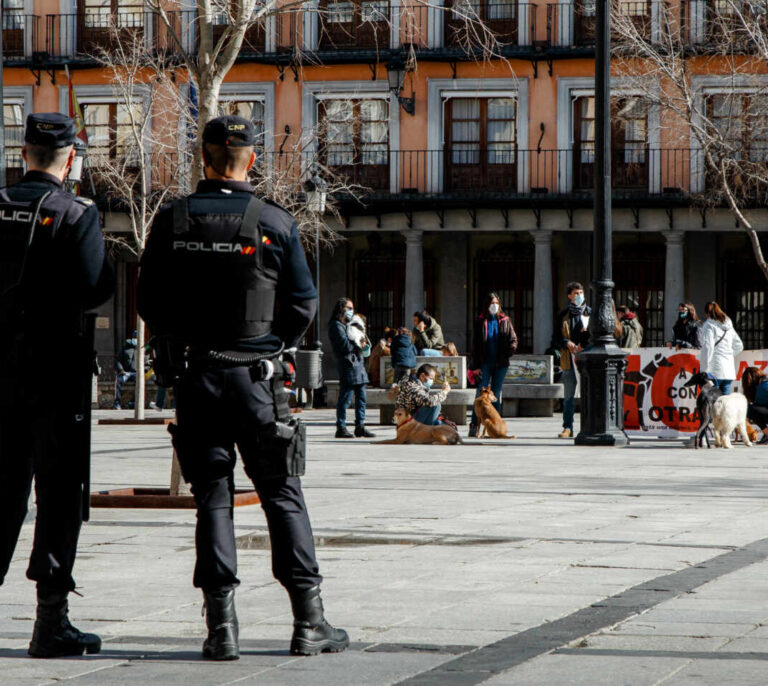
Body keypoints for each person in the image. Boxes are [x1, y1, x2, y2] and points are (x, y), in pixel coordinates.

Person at [137, 115, 347, 660]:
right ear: (251, 160)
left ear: (202, 159)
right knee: (281, 492)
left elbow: (149, 305)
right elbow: (303, 302)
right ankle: (309, 621)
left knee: (213, 496)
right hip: (256, 381)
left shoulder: (172, 219)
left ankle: (221, 629)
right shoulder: (273, 222)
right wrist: (269, 344)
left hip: (197, 376)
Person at [0, 113, 113, 658]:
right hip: (54, 375)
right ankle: (51, 621)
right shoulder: (75, 214)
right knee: (59, 494)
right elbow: (96, 288)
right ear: (70, 160)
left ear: (23, 155)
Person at [468, 292, 518, 438]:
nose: (494, 306)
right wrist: (475, 366)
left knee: (495, 394)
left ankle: (495, 426)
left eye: (496, 303)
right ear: (487, 305)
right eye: (491, 303)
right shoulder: (480, 321)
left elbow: (513, 340)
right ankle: (474, 425)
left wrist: (507, 354)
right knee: (480, 394)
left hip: (501, 363)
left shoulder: (505, 320)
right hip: (484, 362)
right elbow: (475, 345)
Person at [329, 297, 375, 439]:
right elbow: (344, 346)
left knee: (361, 399)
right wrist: (357, 343)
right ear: (341, 308)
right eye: (348, 308)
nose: (351, 311)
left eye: (352, 308)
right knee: (346, 398)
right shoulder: (336, 326)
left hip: (358, 366)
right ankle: (341, 427)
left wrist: (362, 343)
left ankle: (360, 426)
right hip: (348, 366)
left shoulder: (349, 325)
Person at [554, 281, 591, 439]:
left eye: (581, 292)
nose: (579, 295)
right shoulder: (563, 315)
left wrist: (585, 344)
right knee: (568, 394)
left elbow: (598, 335)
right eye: (575, 293)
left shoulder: (590, 313)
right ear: (569, 296)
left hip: (587, 357)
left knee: (589, 394)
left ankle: (589, 426)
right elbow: (555, 337)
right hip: (568, 358)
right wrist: (565, 343)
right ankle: (567, 427)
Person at [699, 301, 743, 395]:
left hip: (714, 370)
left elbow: (708, 348)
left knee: (713, 403)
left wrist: (704, 370)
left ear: (707, 313)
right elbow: (739, 345)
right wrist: (729, 354)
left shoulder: (709, 325)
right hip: (728, 370)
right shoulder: (728, 325)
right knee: (725, 404)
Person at [740, 367, 768, 444]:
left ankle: (767, 433)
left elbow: (758, 409)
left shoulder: (762, 388)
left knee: (749, 409)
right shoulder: (764, 383)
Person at [114, 331, 137, 409]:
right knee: (119, 381)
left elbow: (146, 362)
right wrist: (121, 370)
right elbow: (118, 360)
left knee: (140, 383)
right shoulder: (125, 348)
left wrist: (144, 371)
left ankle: (132, 402)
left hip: (136, 373)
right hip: (125, 372)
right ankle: (117, 403)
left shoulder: (142, 349)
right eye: (135, 337)